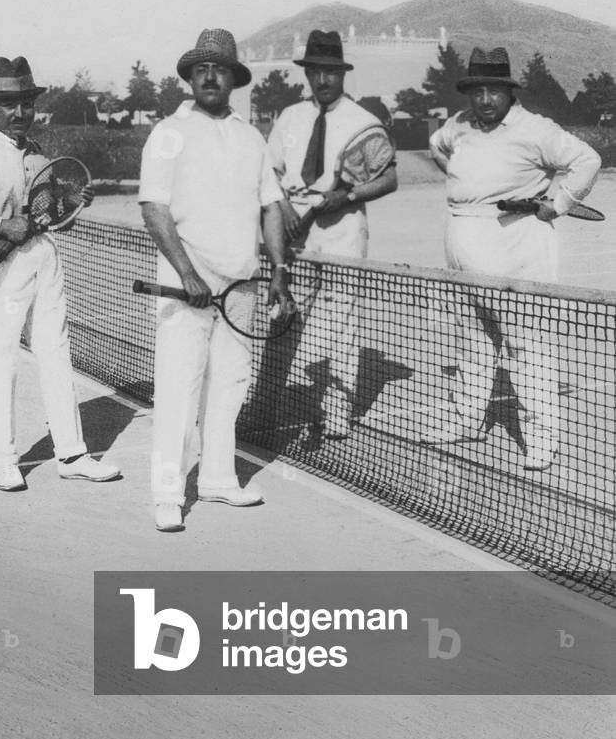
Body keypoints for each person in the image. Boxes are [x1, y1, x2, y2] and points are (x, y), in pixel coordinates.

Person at [0, 56, 121, 491]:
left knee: (56, 353)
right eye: (9, 104)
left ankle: (72, 453)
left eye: (26, 104)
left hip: (45, 261)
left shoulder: (38, 153)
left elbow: (52, 216)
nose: (19, 113)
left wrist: (75, 201)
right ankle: (3, 459)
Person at [139, 28, 293, 533]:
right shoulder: (168, 133)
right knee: (179, 388)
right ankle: (167, 493)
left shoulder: (251, 137)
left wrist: (277, 272)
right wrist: (187, 272)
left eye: (219, 69)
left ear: (233, 79)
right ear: (190, 77)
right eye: (201, 68)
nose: (210, 76)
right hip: (186, 286)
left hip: (242, 287)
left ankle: (219, 478)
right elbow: (154, 207)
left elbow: (271, 205)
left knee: (229, 384)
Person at [428, 46, 601, 471]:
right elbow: (438, 147)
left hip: (518, 247)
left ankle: (542, 439)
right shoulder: (458, 126)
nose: (485, 99)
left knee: (528, 347)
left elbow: (586, 160)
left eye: (494, 90)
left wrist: (556, 204)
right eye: (478, 90)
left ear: (509, 92)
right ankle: (467, 419)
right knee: (473, 344)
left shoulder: (535, 129)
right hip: (463, 245)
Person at [266, 30, 397, 438]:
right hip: (292, 225)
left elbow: (390, 178)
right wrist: (286, 207)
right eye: (315, 72)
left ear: (342, 74)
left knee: (341, 320)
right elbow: (270, 174)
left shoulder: (363, 122)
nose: (322, 80)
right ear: (307, 74)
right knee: (281, 312)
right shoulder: (289, 117)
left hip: (343, 226)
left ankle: (335, 412)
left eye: (331, 72)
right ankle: (268, 400)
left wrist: (347, 195)